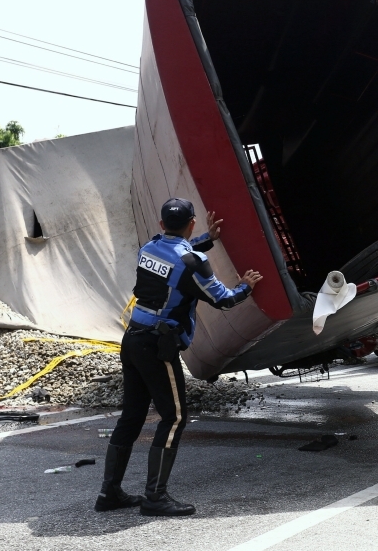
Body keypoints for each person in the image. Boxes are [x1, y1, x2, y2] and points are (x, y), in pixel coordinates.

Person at [95, 198, 262, 516]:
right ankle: (155, 498)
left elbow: (177, 257)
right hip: (157, 346)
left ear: (162, 225)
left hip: (132, 340)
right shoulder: (193, 262)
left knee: (132, 417)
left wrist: (208, 239)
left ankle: (109, 493)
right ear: (192, 223)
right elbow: (222, 299)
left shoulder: (149, 248)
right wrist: (245, 287)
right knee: (174, 418)